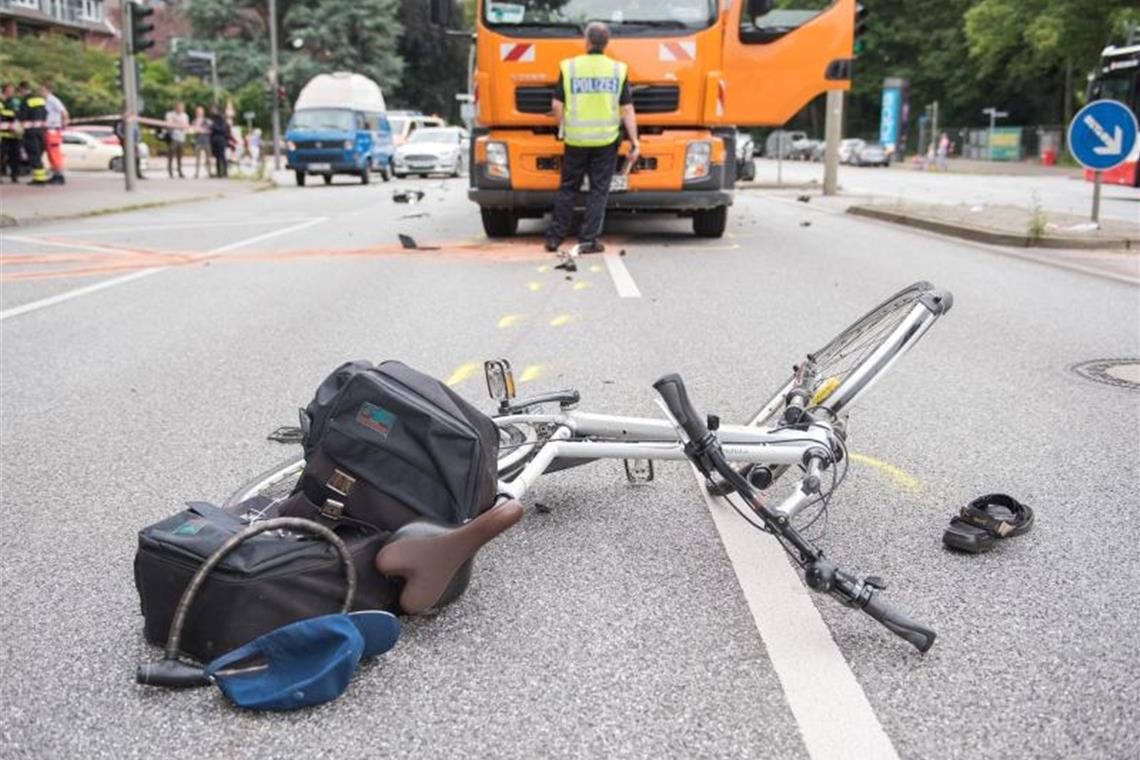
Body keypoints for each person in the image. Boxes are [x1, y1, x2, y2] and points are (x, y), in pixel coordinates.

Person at [545, 21, 639, 254]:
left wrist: (563, 128)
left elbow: (557, 105)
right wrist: (635, 141)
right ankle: (588, 239)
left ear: (586, 41)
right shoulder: (618, 69)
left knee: (568, 188)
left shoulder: (570, 67)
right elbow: (627, 110)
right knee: (598, 191)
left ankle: (555, 238)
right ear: (607, 44)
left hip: (575, 140)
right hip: (606, 141)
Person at [19, 82, 48, 186]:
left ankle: (39, 179)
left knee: (33, 154)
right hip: (41, 130)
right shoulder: (40, 99)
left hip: (30, 132)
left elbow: (23, 118)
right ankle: (40, 177)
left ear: (22, 89)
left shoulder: (25, 100)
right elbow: (45, 113)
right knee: (38, 154)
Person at [41, 81, 68, 184]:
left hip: (53, 129)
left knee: (54, 153)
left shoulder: (53, 100)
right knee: (50, 153)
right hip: (49, 129)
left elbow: (63, 111)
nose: (41, 92)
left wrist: (64, 123)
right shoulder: (47, 100)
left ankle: (59, 175)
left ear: (48, 90)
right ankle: (55, 174)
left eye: (42, 90)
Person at [1, 82, 21, 183]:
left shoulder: (15, 101)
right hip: (3, 134)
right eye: (10, 90)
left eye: (13, 90)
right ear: (5, 90)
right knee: (1, 156)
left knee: (15, 156)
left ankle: (15, 175)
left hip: (15, 134)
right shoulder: (1, 102)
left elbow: (18, 114)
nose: (12, 92)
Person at [164, 101, 189, 178]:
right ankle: (170, 172)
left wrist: (181, 126)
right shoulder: (170, 114)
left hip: (182, 138)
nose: (180, 109)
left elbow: (186, 126)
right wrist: (175, 122)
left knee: (180, 156)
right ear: (176, 107)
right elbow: (168, 125)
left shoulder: (185, 116)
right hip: (173, 137)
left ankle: (180, 171)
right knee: (171, 155)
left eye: (182, 108)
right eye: (179, 107)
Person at [209, 106, 230, 178]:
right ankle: (220, 173)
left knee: (222, 157)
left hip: (220, 140)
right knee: (218, 157)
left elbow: (222, 130)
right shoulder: (215, 119)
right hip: (216, 141)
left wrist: (213, 127)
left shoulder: (219, 119)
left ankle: (224, 173)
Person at [192, 105, 212, 178]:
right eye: (198, 111)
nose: (199, 113)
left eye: (201, 111)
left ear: (203, 112)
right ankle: (197, 173)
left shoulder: (207, 121)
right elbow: (192, 131)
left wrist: (204, 131)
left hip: (206, 141)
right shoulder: (194, 121)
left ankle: (209, 172)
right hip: (198, 141)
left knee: (208, 158)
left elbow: (211, 130)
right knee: (197, 158)